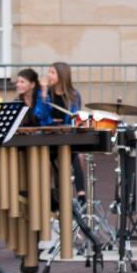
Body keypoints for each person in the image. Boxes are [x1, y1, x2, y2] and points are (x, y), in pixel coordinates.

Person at [41, 62, 87, 199]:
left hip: (67, 136)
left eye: (52, 72)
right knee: (49, 160)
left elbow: (74, 118)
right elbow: (42, 117)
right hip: (48, 137)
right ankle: (52, 196)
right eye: (49, 72)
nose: (49, 75)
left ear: (62, 76)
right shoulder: (46, 94)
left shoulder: (73, 95)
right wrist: (43, 94)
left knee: (78, 155)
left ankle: (81, 195)